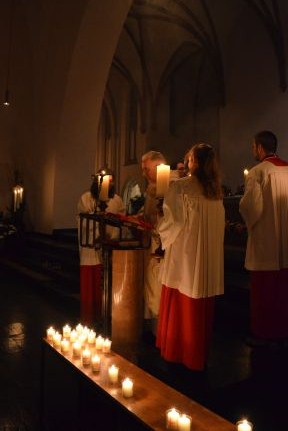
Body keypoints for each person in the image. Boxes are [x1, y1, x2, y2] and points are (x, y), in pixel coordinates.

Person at [156, 143, 225, 370]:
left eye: (190, 159)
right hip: (205, 258)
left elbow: (173, 222)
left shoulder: (180, 187)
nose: (187, 163)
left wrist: (160, 233)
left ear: (195, 162)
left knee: (181, 298)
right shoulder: (216, 191)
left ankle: (178, 352)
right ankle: (197, 354)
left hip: (184, 256)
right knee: (199, 303)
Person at [239, 130, 288, 347]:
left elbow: (251, 207)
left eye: (253, 146)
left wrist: (245, 222)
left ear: (260, 147)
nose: (252, 150)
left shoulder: (258, 172)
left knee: (264, 293)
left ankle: (264, 334)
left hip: (266, 242)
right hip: (286, 242)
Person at [77, 174, 125, 326]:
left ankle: (108, 318)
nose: (107, 186)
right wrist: (98, 232)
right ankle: (90, 320)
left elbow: (121, 219)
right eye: (103, 182)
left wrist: (112, 235)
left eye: (110, 182)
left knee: (109, 286)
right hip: (91, 249)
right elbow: (82, 221)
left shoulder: (116, 200)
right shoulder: (86, 198)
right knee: (92, 286)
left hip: (110, 248)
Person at [141, 150, 167, 336]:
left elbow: (165, 219)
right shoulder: (152, 188)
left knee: (157, 290)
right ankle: (152, 330)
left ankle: (160, 333)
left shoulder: (168, 186)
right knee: (151, 289)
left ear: (159, 167)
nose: (144, 173)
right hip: (151, 243)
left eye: (147, 169)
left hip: (161, 248)